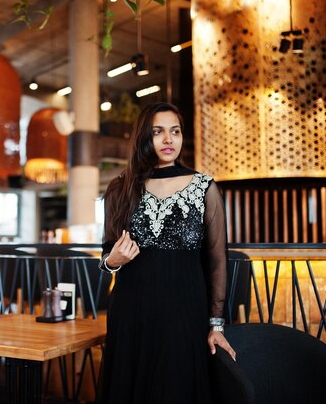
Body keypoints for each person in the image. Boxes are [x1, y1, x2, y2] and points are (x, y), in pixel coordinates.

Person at [98, 102, 236, 404]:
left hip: (184, 312)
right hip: (131, 313)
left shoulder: (204, 188)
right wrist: (113, 262)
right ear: (144, 137)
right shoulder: (120, 188)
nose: (168, 139)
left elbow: (216, 262)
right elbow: (107, 253)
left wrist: (216, 324)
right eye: (158, 132)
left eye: (175, 131)